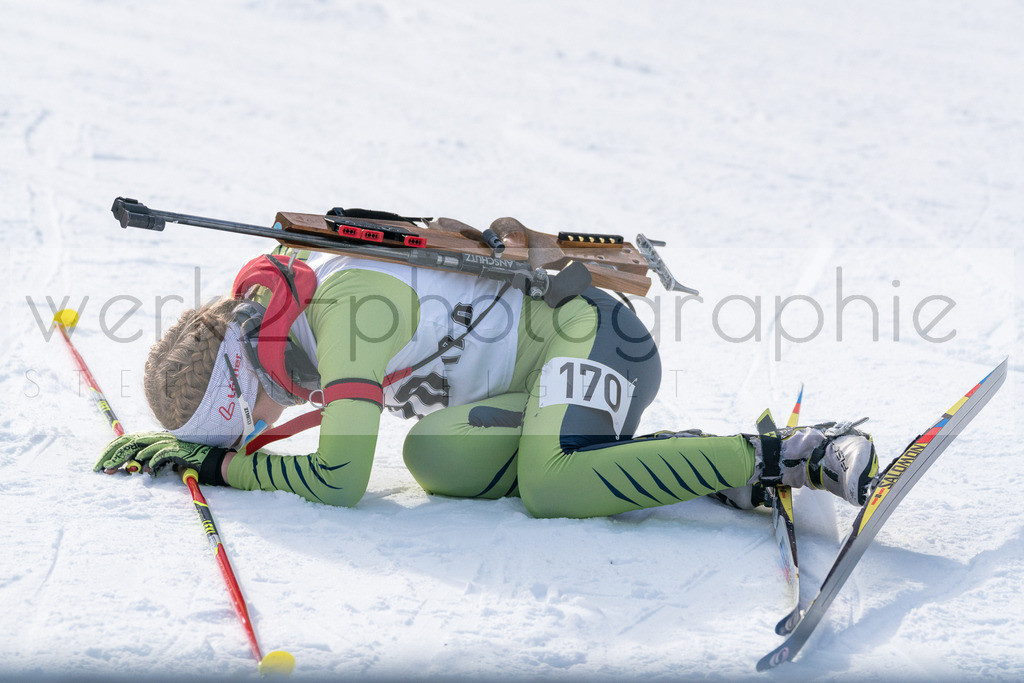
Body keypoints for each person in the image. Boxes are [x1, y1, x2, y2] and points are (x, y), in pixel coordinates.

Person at [96, 240, 879, 518]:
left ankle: (792, 451)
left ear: (242, 373)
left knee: (548, 483)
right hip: (534, 385)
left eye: (246, 422)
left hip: (596, 338)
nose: (263, 429)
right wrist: (203, 448)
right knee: (436, 456)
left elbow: (338, 479)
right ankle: (685, 467)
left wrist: (224, 468)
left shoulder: (343, 313)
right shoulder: (289, 319)